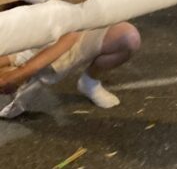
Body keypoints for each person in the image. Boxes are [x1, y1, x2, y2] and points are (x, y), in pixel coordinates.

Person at [0, 23, 141, 118]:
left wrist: (23, 72)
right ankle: (21, 84)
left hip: (74, 32)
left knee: (128, 36)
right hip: (26, 42)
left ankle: (90, 81)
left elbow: (70, 34)